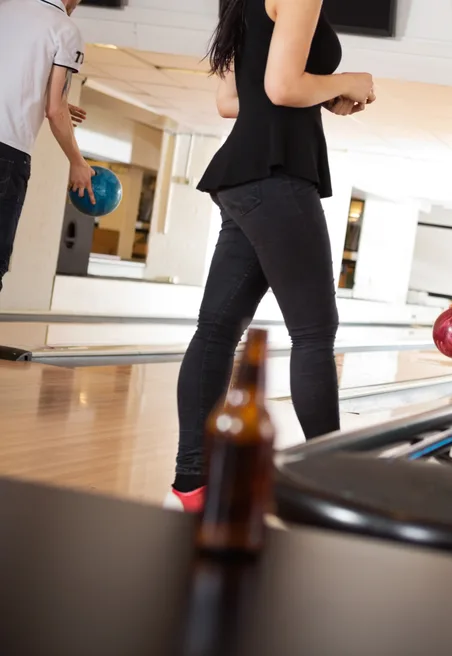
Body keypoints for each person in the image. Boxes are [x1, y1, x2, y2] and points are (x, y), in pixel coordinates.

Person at [167, 0, 376, 511]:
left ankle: (192, 480)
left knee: (215, 331)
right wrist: (348, 80)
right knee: (313, 333)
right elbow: (282, 88)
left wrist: (321, 95)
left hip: (244, 175)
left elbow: (232, 100)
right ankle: (331, 484)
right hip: (276, 176)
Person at [0, 0, 92, 295]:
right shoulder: (64, 27)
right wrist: (77, 161)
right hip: (7, 152)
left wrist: (59, 104)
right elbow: (55, 109)